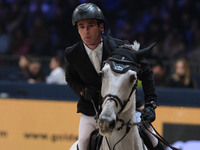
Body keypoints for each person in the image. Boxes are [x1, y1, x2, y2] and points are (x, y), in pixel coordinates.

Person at [64, 3, 164, 150]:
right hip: (92, 110)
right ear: (77, 30)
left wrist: (151, 104)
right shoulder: (72, 53)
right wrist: (82, 91)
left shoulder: (120, 48)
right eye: (81, 26)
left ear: (101, 27)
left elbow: (146, 72)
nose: (86, 31)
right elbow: (70, 78)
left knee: (152, 138)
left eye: (91, 25)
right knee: (84, 141)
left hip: (126, 110)